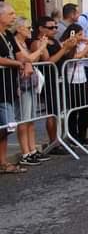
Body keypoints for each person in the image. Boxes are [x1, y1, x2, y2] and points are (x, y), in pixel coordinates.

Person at [32, 16, 78, 155]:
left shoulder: (55, 41)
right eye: (51, 27)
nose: (55, 30)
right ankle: (53, 142)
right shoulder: (38, 43)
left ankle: (60, 139)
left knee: (61, 110)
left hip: (60, 78)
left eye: (56, 27)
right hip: (49, 80)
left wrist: (71, 46)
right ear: (41, 28)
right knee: (52, 112)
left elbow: (65, 56)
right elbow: (48, 61)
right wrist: (64, 49)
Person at [12, 17, 51, 165]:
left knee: (31, 120)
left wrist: (42, 47)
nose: (31, 30)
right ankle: (25, 153)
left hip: (31, 83)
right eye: (28, 28)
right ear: (19, 29)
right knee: (24, 119)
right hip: (22, 84)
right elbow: (27, 59)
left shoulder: (25, 43)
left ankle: (32, 150)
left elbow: (35, 60)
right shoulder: (15, 42)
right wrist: (40, 48)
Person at [0, 3, 34, 173]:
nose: (14, 16)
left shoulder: (7, 34)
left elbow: (20, 55)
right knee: (6, 125)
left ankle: (3, 162)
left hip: (8, 86)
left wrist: (26, 63)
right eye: (11, 14)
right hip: (1, 87)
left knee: (6, 127)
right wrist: (17, 63)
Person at [59, 23, 88, 147]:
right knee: (73, 110)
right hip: (71, 80)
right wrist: (82, 49)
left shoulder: (82, 45)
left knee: (85, 109)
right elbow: (72, 57)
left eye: (82, 34)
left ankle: (82, 135)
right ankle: (73, 136)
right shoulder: (66, 44)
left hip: (82, 79)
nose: (82, 36)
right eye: (79, 34)